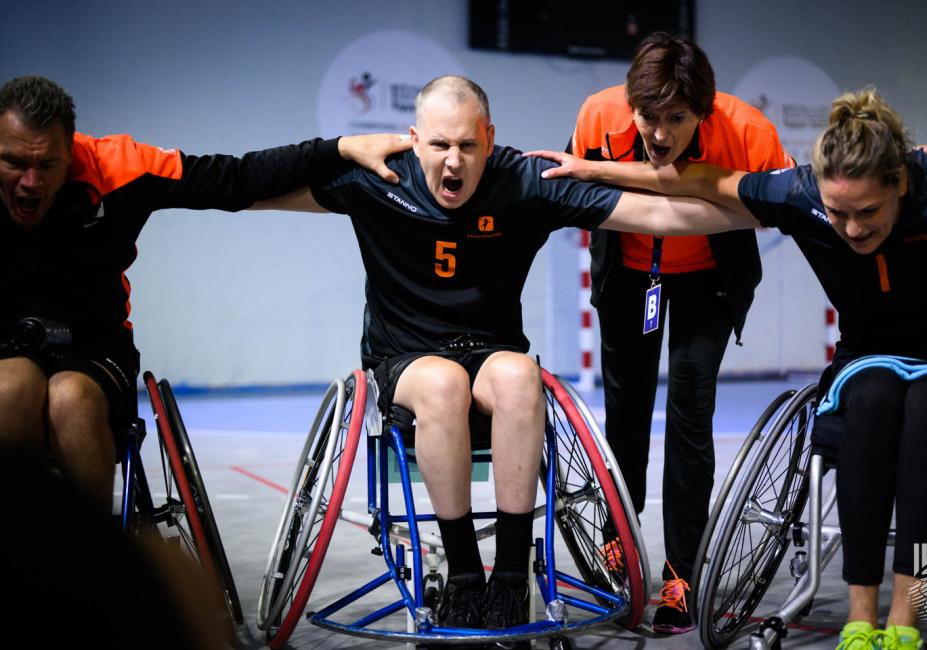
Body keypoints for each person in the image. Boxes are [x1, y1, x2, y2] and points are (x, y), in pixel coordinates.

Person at [254, 74, 751, 641]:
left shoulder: (524, 181)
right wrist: (328, 149)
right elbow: (255, 189)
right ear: (413, 140)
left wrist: (773, 211)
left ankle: (511, 575)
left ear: (489, 139)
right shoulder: (378, 178)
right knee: (442, 385)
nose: (453, 161)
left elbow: (659, 216)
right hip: (407, 359)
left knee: (521, 376)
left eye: (467, 145)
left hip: (491, 354)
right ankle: (466, 575)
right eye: (439, 145)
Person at [531, 88, 927, 650]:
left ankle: (907, 618)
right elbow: (699, 180)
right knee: (877, 402)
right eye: (839, 214)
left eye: (868, 212)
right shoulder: (799, 194)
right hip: (869, 354)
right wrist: (591, 168)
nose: (854, 229)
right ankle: (862, 619)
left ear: (901, 184)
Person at [0, 75, 408, 513]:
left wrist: (341, 148)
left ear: (72, 150)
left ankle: (96, 562)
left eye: (46, 166)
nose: (29, 182)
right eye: (13, 162)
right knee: (11, 387)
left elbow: (236, 177)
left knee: (71, 399)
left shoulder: (118, 166)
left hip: (93, 349)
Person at [539, 31, 791, 633]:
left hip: (710, 279)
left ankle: (682, 571)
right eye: (649, 116)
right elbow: (571, 191)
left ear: (703, 111)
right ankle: (618, 545)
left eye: (676, 118)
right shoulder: (597, 113)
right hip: (630, 276)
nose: (658, 133)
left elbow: (788, 205)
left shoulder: (750, 131)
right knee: (625, 411)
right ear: (630, 107)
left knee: (689, 411)